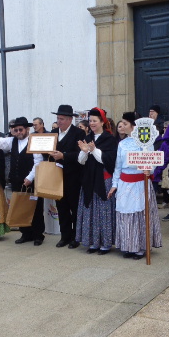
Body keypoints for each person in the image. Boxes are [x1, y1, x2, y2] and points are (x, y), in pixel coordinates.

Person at [109, 112, 162, 259]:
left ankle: (140, 247)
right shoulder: (122, 143)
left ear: (133, 126)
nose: (122, 126)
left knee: (140, 216)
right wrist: (114, 184)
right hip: (125, 183)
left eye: (125, 124)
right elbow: (118, 166)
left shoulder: (145, 142)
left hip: (140, 182)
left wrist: (149, 169)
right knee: (125, 215)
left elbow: (152, 162)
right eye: (122, 123)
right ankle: (128, 246)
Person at [0, 117, 45, 245]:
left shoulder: (33, 141)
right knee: (20, 207)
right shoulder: (12, 141)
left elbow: (38, 162)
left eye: (20, 129)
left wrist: (30, 178)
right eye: (16, 130)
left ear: (27, 129)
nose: (18, 132)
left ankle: (38, 235)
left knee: (35, 208)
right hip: (16, 180)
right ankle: (25, 234)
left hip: (32, 181)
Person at [75, 108, 117, 254]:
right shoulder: (87, 138)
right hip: (89, 180)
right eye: (90, 121)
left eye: (95, 121)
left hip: (104, 181)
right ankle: (93, 242)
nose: (92, 123)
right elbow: (81, 161)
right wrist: (85, 151)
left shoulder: (109, 139)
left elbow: (107, 161)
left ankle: (105, 243)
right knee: (90, 211)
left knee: (103, 212)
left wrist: (93, 150)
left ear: (102, 122)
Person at [49, 105, 87, 248]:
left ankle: (76, 237)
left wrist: (63, 155)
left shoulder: (79, 133)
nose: (59, 121)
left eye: (62, 119)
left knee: (74, 207)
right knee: (61, 207)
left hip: (73, 176)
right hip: (57, 176)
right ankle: (65, 236)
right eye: (58, 118)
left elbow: (80, 154)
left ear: (70, 119)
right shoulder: (53, 133)